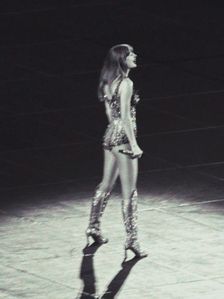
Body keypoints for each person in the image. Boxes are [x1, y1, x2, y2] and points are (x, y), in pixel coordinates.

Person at [86, 44, 147, 259]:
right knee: (129, 191)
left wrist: (115, 133)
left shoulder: (108, 83)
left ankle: (93, 226)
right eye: (131, 54)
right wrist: (133, 143)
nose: (134, 56)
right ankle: (132, 239)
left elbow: (111, 116)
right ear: (122, 59)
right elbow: (125, 117)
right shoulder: (127, 83)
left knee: (106, 183)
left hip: (109, 135)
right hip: (123, 139)